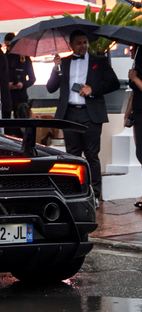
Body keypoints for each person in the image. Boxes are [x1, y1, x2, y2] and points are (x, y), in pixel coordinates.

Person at [46, 30, 120, 207]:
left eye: (85, 42)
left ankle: (94, 194)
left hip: (90, 113)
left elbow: (114, 83)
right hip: (69, 113)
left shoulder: (99, 61)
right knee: (72, 155)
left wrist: (92, 89)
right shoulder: (63, 63)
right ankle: (73, 192)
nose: (83, 46)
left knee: (92, 155)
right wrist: (55, 68)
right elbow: (50, 88)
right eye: (79, 43)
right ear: (70, 45)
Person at [124, 46, 142, 209]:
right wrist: (127, 113)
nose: (129, 50)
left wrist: (135, 78)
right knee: (140, 153)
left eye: (132, 47)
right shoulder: (136, 64)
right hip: (138, 113)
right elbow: (135, 92)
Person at [5, 32, 36, 120]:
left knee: (21, 121)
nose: (9, 48)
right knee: (6, 122)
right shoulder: (4, 58)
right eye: (7, 46)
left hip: (21, 96)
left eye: (10, 45)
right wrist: (7, 85)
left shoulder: (24, 58)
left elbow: (32, 78)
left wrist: (23, 84)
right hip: (7, 95)